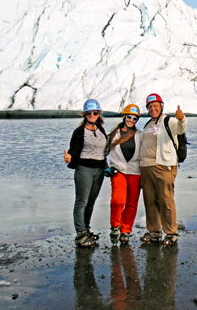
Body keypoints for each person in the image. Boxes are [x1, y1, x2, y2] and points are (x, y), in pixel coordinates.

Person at [139, 93, 187, 246]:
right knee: (150, 201)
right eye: (150, 106)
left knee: (166, 200)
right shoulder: (147, 125)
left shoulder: (169, 121)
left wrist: (182, 118)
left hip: (164, 166)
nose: (153, 108)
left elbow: (180, 129)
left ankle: (171, 233)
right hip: (146, 168)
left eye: (155, 106)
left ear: (161, 106)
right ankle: (154, 232)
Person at [64, 99, 109, 247]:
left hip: (99, 170)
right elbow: (74, 150)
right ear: (84, 114)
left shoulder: (100, 129)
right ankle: (80, 233)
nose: (92, 115)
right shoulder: (79, 131)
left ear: (98, 114)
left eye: (95, 112)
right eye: (89, 113)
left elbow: (105, 150)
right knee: (81, 201)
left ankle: (86, 229)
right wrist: (69, 158)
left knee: (91, 201)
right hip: (84, 169)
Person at [107, 104, 143, 244]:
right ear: (124, 117)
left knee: (132, 204)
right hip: (118, 171)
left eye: (135, 118)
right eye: (129, 117)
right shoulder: (112, 135)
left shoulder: (140, 135)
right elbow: (101, 152)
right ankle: (115, 226)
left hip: (135, 172)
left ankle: (125, 231)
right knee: (118, 200)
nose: (131, 120)